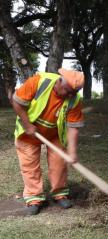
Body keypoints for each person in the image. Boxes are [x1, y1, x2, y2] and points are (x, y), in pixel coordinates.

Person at [12, 68, 85, 215]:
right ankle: (34, 198)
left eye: (73, 92)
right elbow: (17, 101)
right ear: (59, 81)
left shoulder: (74, 99)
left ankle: (60, 194)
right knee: (29, 165)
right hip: (29, 132)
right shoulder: (38, 82)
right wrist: (27, 125)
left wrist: (72, 151)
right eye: (68, 91)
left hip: (55, 134)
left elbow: (73, 127)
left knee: (59, 164)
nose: (70, 95)